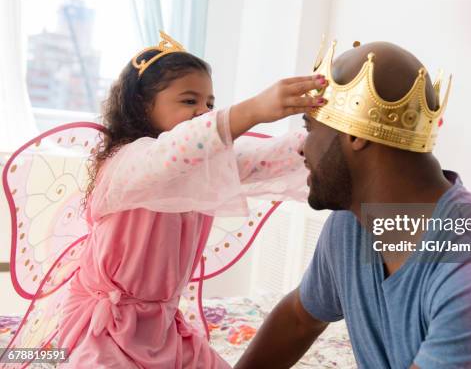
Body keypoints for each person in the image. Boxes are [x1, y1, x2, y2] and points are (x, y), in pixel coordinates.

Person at [57, 31, 326, 368]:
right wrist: (255, 109)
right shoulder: (126, 164)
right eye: (189, 101)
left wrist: (323, 136)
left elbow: (265, 157)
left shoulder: (203, 166)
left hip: (162, 330)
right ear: (143, 105)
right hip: (104, 333)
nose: (203, 111)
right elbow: (174, 152)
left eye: (209, 104)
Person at [236, 41, 471, 368]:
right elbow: (298, 318)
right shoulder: (352, 225)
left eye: (310, 128)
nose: (301, 149)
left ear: (355, 135)